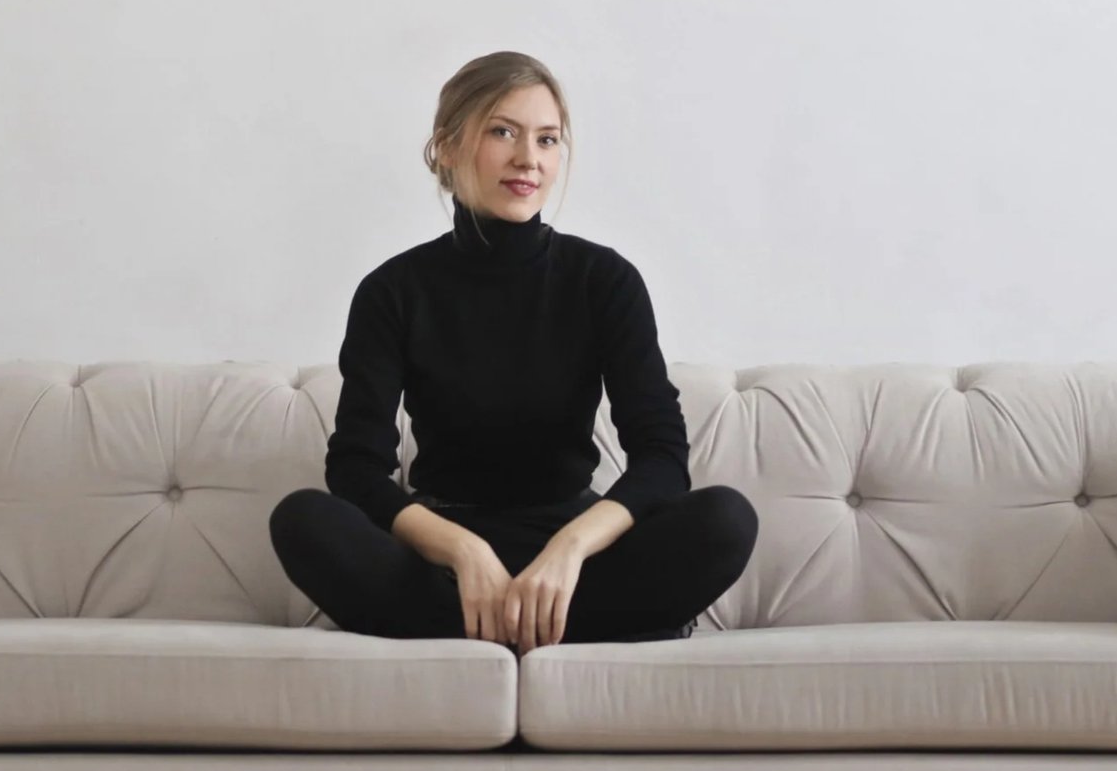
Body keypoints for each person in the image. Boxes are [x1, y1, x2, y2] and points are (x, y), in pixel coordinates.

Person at [270, 51, 758, 652]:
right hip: (439, 556)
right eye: (503, 131)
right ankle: (549, 632)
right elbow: (355, 469)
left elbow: (662, 458)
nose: (529, 158)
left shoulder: (603, 280)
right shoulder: (393, 291)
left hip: (573, 554)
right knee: (302, 520)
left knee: (726, 520)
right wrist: (463, 549)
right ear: (445, 148)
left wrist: (571, 548)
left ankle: (484, 632)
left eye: (548, 139)